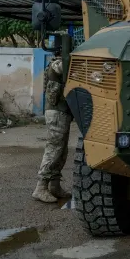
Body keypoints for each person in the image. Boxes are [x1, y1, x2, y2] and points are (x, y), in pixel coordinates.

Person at [32, 56, 74, 203]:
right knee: (54, 149)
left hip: (63, 112)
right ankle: (40, 187)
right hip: (56, 112)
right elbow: (62, 68)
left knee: (62, 150)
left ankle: (54, 186)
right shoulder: (57, 64)